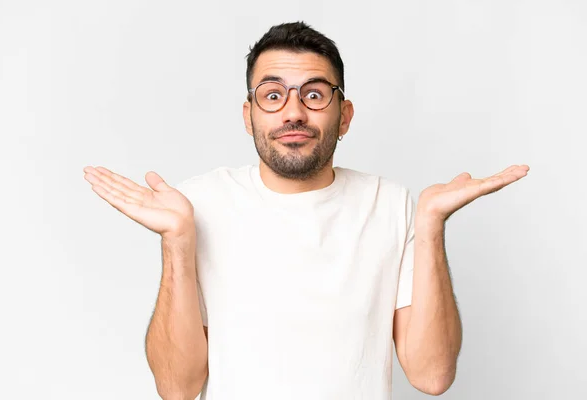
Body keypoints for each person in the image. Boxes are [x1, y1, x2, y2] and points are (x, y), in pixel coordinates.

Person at [83, 21, 529, 400]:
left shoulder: (392, 204)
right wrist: (176, 242)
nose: (293, 112)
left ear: (345, 116)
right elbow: (178, 388)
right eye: (272, 95)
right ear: (249, 115)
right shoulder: (197, 205)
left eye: (314, 95)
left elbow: (432, 376)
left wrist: (431, 223)